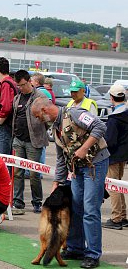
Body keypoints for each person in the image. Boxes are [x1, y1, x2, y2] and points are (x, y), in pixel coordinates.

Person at [31, 97, 109, 269]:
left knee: (90, 210)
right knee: (75, 208)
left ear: (44, 110)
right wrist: (57, 181)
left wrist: (85, 147)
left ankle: (93, 254)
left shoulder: (74, 113)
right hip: (76, 169)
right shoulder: (56, 128)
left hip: (95, 164)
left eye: (38, 116)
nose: (38, 120)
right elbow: (61, 158)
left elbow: (100, 126)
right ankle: (75, 248)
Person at [11, 70, 48, 215]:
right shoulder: (17, 98)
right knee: (17, 172)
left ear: (29, 81)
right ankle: (18, 201)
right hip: (18, 140)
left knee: (34, 174)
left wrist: (41, 130)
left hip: (34, 141)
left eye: (22, 85)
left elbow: (48, 117)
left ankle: (37, 201)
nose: (20, 88)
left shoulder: (40, 97)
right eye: (18, 85)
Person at [102, 84, 128, 230]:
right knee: (119, 185)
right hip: (123, 155)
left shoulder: (114, 118)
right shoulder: (126, 113)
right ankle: (123, 216)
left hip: (113, 155)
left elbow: (110, 140)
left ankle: (116, 217)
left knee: (113, 187)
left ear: (112, 98)